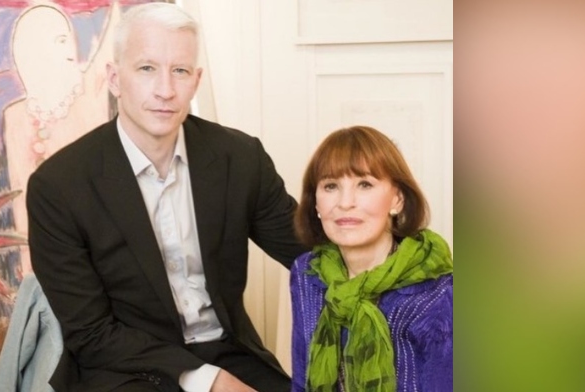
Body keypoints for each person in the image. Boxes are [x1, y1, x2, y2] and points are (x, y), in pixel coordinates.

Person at [26, 3, 306, 391]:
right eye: (147, 69)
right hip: (122, 367)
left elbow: (310, 253)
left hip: (227, 351)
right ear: (114, 78)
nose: (165, 90)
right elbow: (91, 334)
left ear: (196, 80)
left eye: (180, 71)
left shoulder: (240, 159)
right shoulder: (58, 186)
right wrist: (209, 382)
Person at [289, 126, 453, 392]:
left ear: (397, 199)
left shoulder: (439, 292)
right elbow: (302, 382)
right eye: (331, 186)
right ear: (316, 204)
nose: (345, 202)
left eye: (364, 184)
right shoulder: (308, 273)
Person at [4, 2, 120, 274]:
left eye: (69, 39)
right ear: (33, 49)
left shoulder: (90, 92)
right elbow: (21, 204)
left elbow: (110, 42)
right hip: (44, 267)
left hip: (103, 265)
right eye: (59, 40)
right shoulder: (16, 116)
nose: (70, 49)